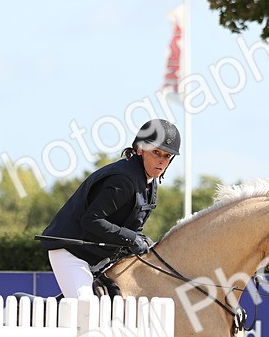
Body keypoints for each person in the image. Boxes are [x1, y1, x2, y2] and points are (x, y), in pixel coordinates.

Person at [39, 118, 180, 299]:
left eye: (167, 156)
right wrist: (132, 238)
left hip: (100, 258)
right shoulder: (123, 180)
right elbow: (91, 221)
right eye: (156, 153)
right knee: (86, 308)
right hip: (72, 253)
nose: (161, 161)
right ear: (140, 149)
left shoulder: (149, 183)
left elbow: (131, 226)